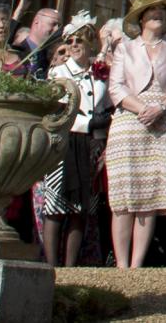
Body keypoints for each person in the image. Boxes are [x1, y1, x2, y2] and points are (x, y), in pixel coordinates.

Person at [107, 0, 166, 268]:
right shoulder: (125, 48)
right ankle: (121, 264)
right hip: (130, 119)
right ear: (141, 18)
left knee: (149, 197)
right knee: (124, 197)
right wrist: (142, 109)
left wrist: (161, 108)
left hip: (162, 121)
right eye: (152, 11)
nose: (158, 15)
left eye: (162, 11)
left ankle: (137, 264)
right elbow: (115, 87)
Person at [37, 18, 107, 268]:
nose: (75, 45)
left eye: (80, 40)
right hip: (65, 143)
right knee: (56, 205)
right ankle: (52, 264)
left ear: (91, 42)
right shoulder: (58, 73)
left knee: (81, 208)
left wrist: (102, 140)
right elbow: (55, 111)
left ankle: (71, 266)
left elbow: (105, 107)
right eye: (71, 41)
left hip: (90, 145)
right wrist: (87, 124)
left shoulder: (100, 72)